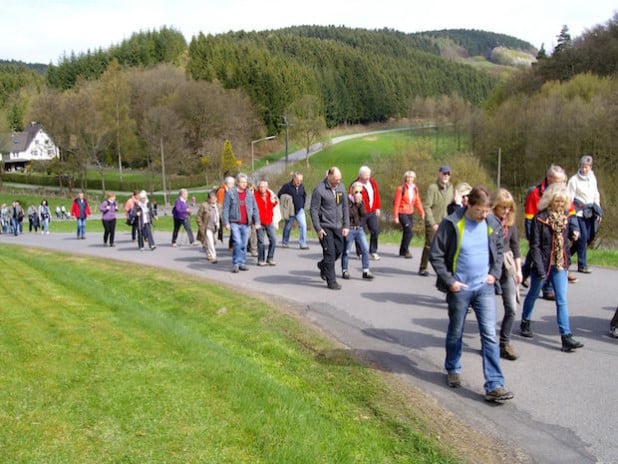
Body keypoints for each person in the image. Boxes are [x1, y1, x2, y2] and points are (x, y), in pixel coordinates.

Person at [429, 185, 514, 403]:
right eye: (480, 211)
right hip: (460, 289)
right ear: (469, 204)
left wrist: (494, 274)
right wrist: (450, 282)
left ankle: (495, 384)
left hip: (484, 287)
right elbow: (436, 254)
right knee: (456, 331)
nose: (484, 215)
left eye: (487, 211)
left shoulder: (491, 223)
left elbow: (498, 249)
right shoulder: (451, 224)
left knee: (489, 334)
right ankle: (453, 368)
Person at [520, 183, 584, 352]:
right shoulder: (539, 218)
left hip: (560, 263)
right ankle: (525, 321)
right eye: (557, 202)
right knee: (533, 294)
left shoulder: (565, 219)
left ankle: (566, 336)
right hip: (542, 263)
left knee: (561, 300)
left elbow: (565, 242)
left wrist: (573, 235)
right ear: (549, 201)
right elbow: (535, 246)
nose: (560, 206)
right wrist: (540, 270)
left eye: (563, 203)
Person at [523, 164, 578, 293]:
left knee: (551, 256)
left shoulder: (563, 194)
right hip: (538, 229)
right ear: (550, 179)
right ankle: (523, 274)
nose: (563, 184)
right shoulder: (535, 193)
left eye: (564, 181)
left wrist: (575, 229)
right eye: (560, 181)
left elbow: (571, 213)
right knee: (534, 256)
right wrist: (532, 237)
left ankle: (548, 288)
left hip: (555, 231)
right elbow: (529, 218)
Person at [492, 189, 522, 361]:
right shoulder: (489, 222)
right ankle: (488, 343)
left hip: (507, 266)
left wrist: (518, 270)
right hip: (491, 267)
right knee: (488, 311)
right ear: (496, 206)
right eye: (503, 208)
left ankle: (504, 344)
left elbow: (515, 246)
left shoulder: (510, 223)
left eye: (509, 208)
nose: (506, 211)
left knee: (511, 308)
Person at [310, 167, 350, 290]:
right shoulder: (319, 190)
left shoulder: (341, 188)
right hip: (325, 227)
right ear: (329, 177)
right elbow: (314, 210)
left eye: (340, 179)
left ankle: (323, 265)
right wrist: (318, 228)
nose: (338, 182)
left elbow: (345, 207)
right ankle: (331, 281)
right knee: (330, 252)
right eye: (336, 179)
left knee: (339, 249)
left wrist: (346, 225)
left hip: (337, 226)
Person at [568, 155, 602, 274]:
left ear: (590, 167)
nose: (584, 169)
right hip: (578, 213)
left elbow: (595, 194)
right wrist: (569, 214)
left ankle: (565, 257)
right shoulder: (574, 180)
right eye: (582, 166)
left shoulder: (593, 178)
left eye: (586, 167)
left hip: (590, 212)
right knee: (581, 239)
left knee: (586, 238)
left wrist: (598, 210)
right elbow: (569, 198)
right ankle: (582, 265)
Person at [419, 165, 454, 276]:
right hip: (433, 221)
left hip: (446, 222)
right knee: (429, 245)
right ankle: (423, 268)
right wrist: (432, 223)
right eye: (444, 173)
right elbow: (427, 206)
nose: (446, 176)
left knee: (446, 247)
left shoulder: (451, 187)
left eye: (448, 174)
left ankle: (444, 270)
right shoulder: (433, 187)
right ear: (439, 174)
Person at [223, 173, 261, 273]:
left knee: (244, 243)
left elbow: (255, 208)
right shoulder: (230, 193)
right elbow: (225, 208)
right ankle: (236, 263)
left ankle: (242, 263)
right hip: (235, 222)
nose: (245, 184)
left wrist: (257, 221)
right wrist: (226, 222)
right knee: (237, 242)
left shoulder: (249, 193)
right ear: (238, 182)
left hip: (246, 223)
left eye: (246, 182)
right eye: (243, 182)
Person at [341, 182, 374, 280]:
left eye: (360, 191)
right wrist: (355, 203)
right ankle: (344, 270)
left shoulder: (360, 201)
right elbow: (348, 214)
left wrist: (360, 204)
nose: (358, 193)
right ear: (351, 191)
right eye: (356, 191)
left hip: (359, 228)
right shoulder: (347, 201)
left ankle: (365, 270)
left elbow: (364, 214)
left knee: (365, 249)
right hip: (349, 229)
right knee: (346, 251)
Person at [393, 170, 425, 259]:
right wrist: (395, 216)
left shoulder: (415, 189)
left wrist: (422, 212)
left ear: (414, 178)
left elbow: (417, 201)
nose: (409, 179)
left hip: (410, 212)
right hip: (402, 212)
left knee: (407, 232)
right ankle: (406, 250)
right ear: (405, 178)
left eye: (411, 177)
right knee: (409, 231)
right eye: (408, 177)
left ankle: (402, 250)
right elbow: (396, 203)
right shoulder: (401, 188)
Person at [353, 166, 381, 260]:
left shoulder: (372, 183)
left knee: (375, 230)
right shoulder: (355, 185)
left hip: (372, 211)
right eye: (366, 176)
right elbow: (351, 198)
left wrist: (377, 207)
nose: (368, 177)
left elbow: (376, 195)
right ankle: (360, 252)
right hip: (360, 213)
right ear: (360, 175)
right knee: (360, 232)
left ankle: (373, 251)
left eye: (369, 175)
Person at [278, 171, 309, 249]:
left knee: (303, 225)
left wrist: (302, 205)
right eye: (298, 180)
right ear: (294, 178)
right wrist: (285, 204)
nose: (299, 182)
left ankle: (303, 243)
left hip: (299, 210)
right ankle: (285, 242)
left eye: (301, 180)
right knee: (288, 227)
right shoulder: (287, 186)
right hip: (290, 211)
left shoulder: (302, 187)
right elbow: (280, 195)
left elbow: (304, 196)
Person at [254, 180, 279, 266]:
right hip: (259, 222)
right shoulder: (255, 196)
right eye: (260, 187)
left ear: (267, 187)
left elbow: (273, 204)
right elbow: (252, 209)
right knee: (261, 241)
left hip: (269, 220)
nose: (262, 188)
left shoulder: (270, 194)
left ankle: (270, 258)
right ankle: (261, 259)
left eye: (264, 187)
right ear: (258, 187)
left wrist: (275, 202)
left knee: (273, 239)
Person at [196, 191, 220, 263]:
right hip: (207, 227)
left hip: (215, 227)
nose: (214, 200)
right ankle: (213, 257)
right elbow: (198, 217)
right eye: (212, 199)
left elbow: (220, 215)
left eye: (215, 198)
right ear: (209, 199)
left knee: (214, 241)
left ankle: (208, 252)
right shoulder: (204, 205)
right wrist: (201, 226)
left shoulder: (218, 206)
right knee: (210, 242)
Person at [217, 176, 235, 247]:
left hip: (230, 212)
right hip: (225, 212)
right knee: (232, 229)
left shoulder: (229, 190)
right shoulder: (222, 191)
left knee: (233, 230)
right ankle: (231, 246)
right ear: (228, 183)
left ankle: (231, 245)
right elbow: (220, 204)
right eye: (232, 184)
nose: (233, 185)